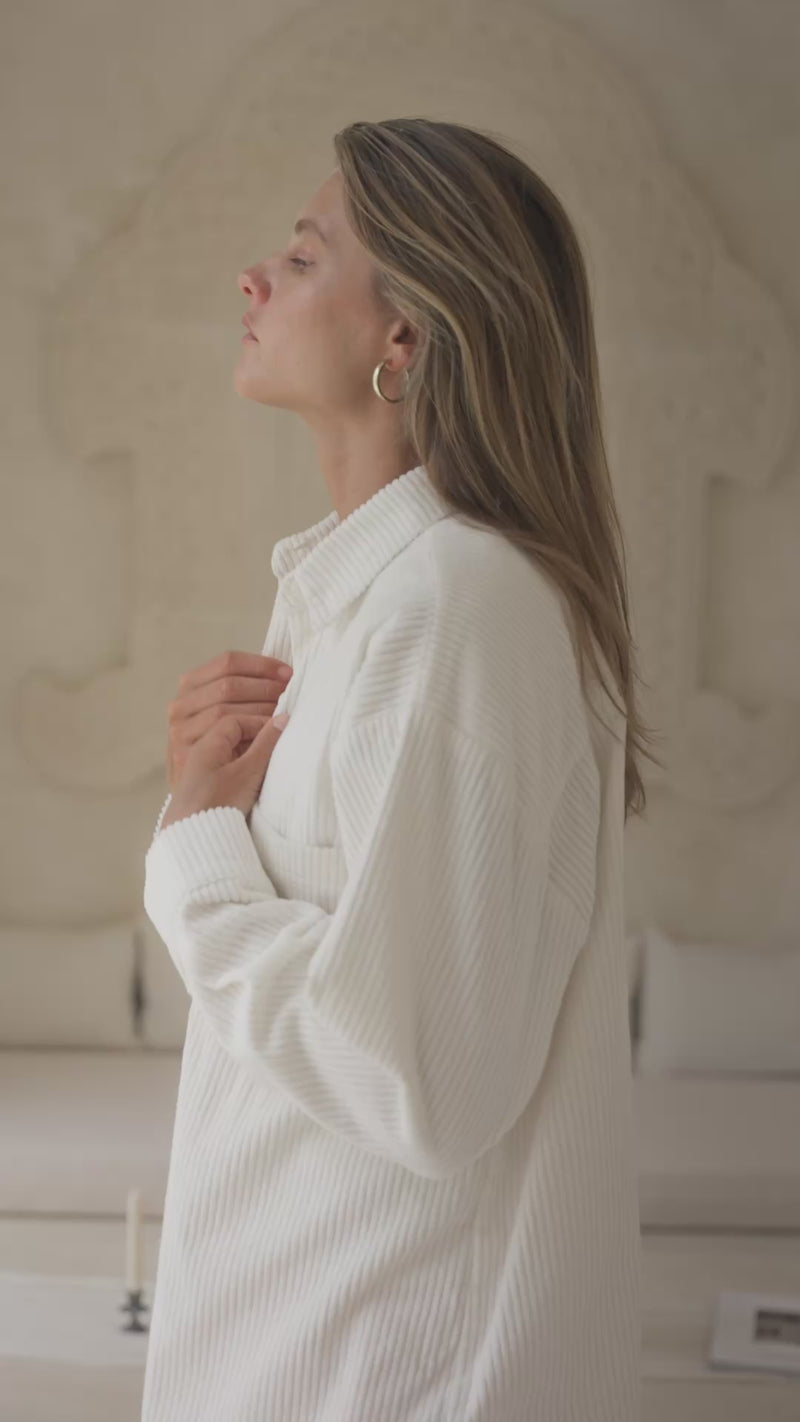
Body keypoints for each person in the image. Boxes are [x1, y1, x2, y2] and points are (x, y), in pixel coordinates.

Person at [142, 117, 662, 1421]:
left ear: (409, 337)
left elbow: (416, 1080)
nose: (253, 279)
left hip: (385, 1377)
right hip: (308, 1350)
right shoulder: (362, 600)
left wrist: (195, 858)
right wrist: (209, 800)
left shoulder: (458, 610)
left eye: (303, 258)